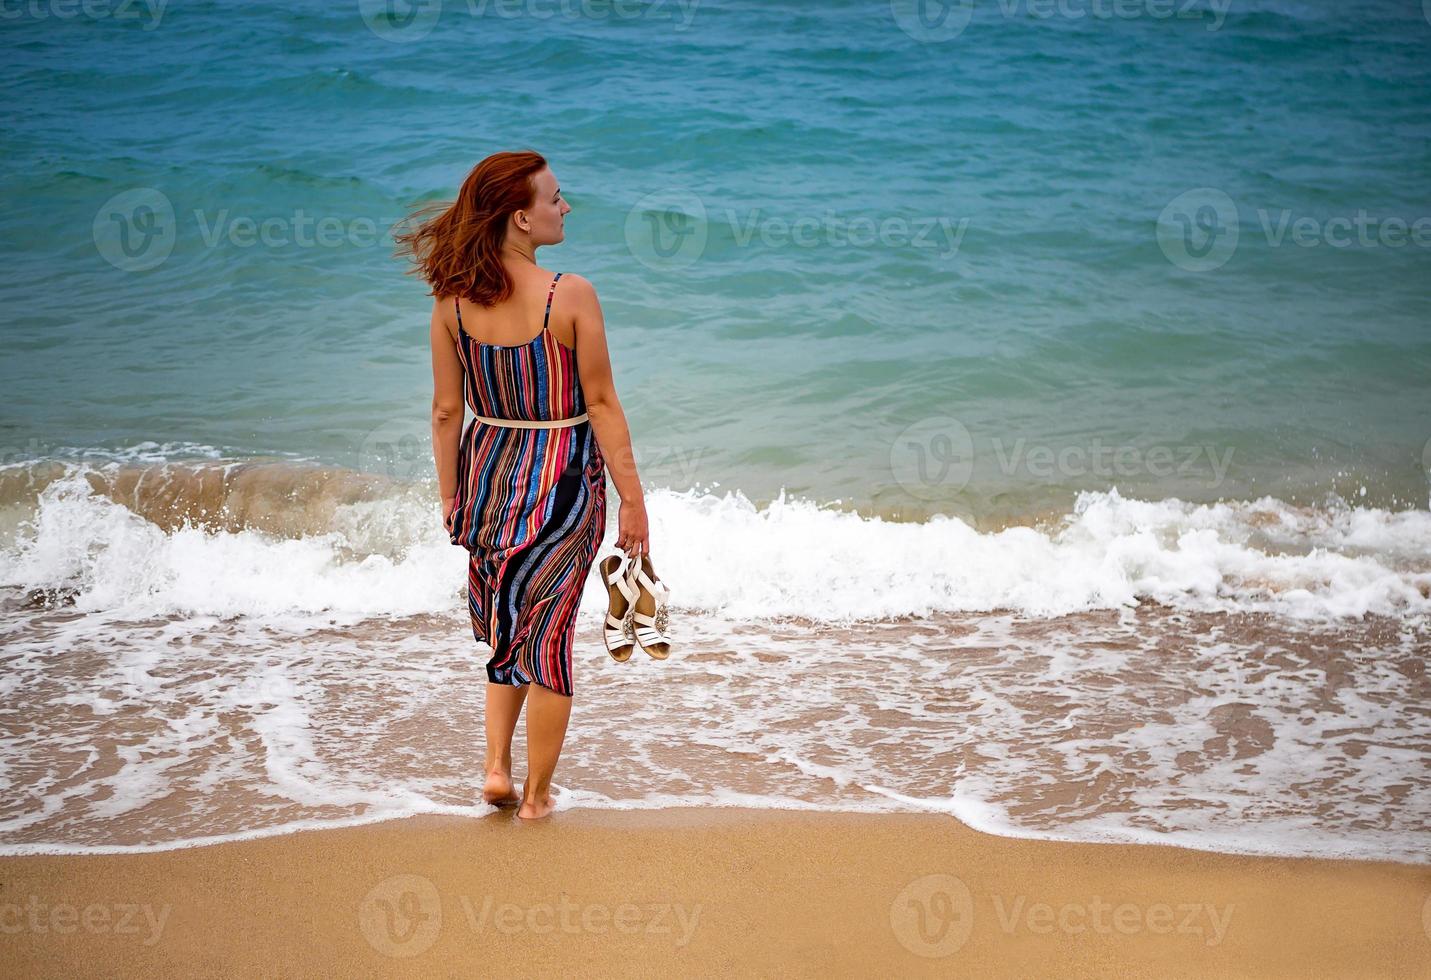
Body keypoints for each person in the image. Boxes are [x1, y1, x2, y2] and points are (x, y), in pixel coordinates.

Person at [395, 150, 649, 820]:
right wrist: (633, 500)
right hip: (564, 481)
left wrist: (451, 498)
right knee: (552, 635)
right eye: (555, 198)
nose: (564, 208)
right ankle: (535, 798)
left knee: (510, 629)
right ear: (520, 216)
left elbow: (446, 411)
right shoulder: (571, 294)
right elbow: (600, 402)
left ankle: (494, 770)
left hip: (487, 479)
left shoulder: (450, 306)